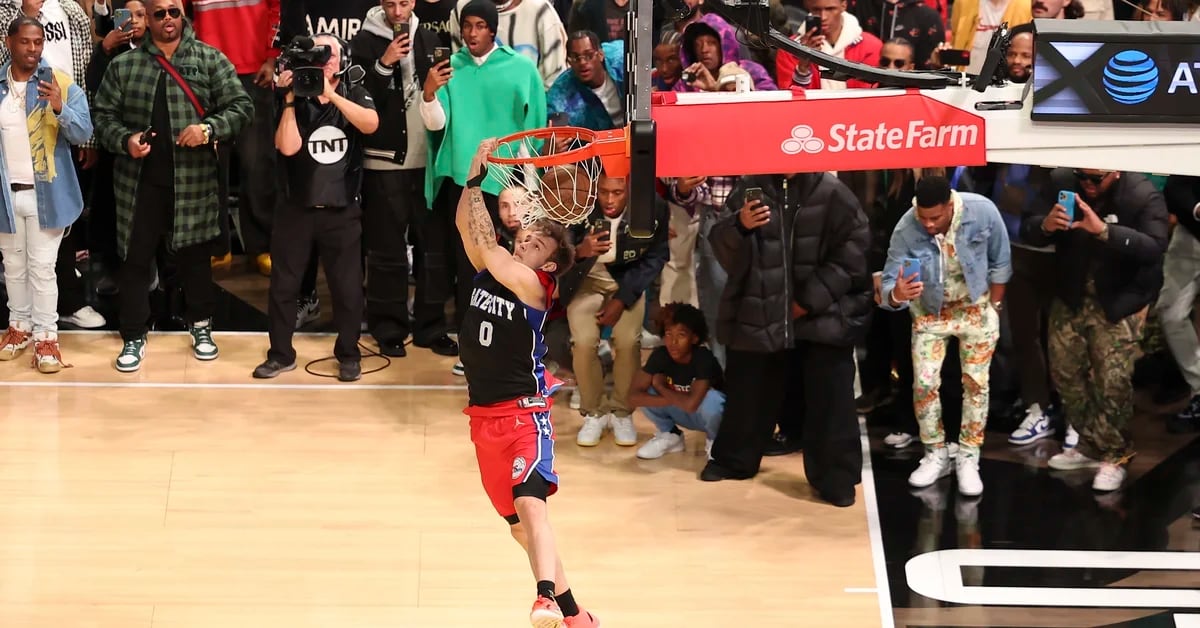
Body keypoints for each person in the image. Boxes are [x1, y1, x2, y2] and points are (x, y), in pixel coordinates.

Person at [455, 139, 598, 628]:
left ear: (550, 264)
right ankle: (577, 613)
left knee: (529, 504)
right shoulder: (494, 270)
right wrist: (472, 181)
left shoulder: (537, 286)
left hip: (524, 414)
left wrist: (479, 180)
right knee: (519, 527)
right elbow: (466, 228)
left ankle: (544, 599)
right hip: (482, 419)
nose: (524, 242)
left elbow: (486, 244)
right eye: (525, 237)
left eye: (536, 244)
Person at [92, 0, 253, 372]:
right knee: (133, 261)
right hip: (137, 183)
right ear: (146, 18)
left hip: (194, 180)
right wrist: (126, 140)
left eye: (173, 12)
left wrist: (209, 129)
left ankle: (201, 327)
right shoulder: (124, 65)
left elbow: (242, 106)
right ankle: (133, 335)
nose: (168, 19)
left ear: (183, 15)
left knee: (195, 260)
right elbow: (102, 117)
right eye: (160, 13)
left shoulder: (210, 59)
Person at [701, 172, 873, 508]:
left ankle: (836, 477)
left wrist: (804, 302)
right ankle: (734, 460)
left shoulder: (834, 192)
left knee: (831, 397)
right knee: (748, 386)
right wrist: (740, 226)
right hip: (763, 308)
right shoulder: (750, 188)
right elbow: (722, 248)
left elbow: (853, 256)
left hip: (822, 313)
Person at [253, 34, 380, 382]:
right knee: (283, 285)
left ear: (342, 60)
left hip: (341, 208)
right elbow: (288, 147)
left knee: (347, 287)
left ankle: (349, 354)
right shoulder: (290, 94)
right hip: (297, 208)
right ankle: (280, 354)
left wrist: (332, 94)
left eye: (328, 54)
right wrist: (292, 100)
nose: (322, 60)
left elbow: (371, 124)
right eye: (315, 55)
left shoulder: (353, 89)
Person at [880, 175, 1011, 496]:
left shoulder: (982, 211)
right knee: (924, 384)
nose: (927, 224)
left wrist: (994, 305)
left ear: (950, 205)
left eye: (935, 218)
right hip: (929, 313)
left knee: (976, 384)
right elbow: (886, 286)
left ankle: (969, 456)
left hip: (975, 308)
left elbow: (1001, 260)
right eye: (923, 217)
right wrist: (896, 294)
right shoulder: (906, 227)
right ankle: (935, 453)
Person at [0, 16, 93, 372]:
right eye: (25, 41)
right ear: (10, 43)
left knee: (42, 269)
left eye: (38, 41)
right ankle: (19, 329)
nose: (33, 48)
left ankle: (46, 338)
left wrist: (59, 107)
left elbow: (84, 131)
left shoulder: (61, 82)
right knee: (14, 268)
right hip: (6, 197)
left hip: (47, 195)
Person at [629, 302, 725, 459]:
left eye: (681, 335)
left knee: (712, 400)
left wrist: (661, 387)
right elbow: (632, 397)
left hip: (705, 414)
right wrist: (672, 398)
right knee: (645, 391)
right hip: (682, 409)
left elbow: (691, 404)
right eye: (668, 334)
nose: (673, 342)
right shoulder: (661, 355)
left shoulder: (703, 358)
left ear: (694, 338)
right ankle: (670, 435)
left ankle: (716, 441)